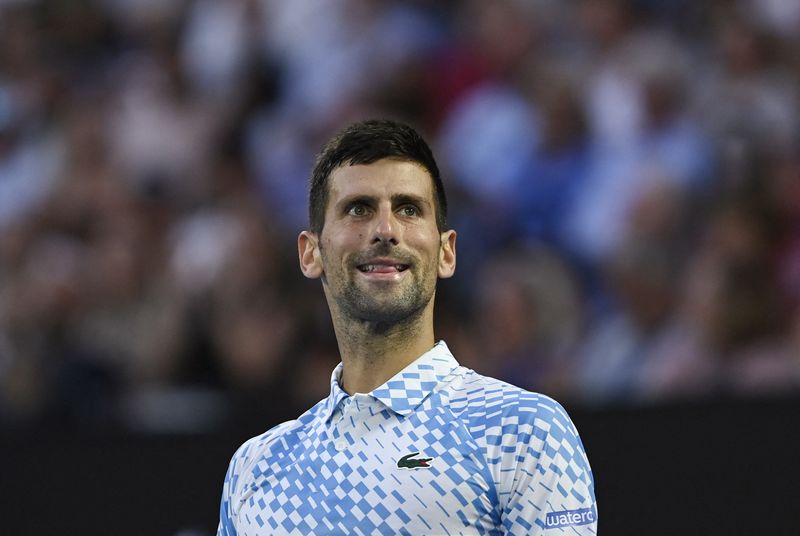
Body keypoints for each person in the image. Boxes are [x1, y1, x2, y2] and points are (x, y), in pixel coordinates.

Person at [217, 119, 598, 535]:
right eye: (358, 208)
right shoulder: (255, 469)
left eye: (409, 209)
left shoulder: (523, 432)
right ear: (311, 253)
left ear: (446, 252)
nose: (385, 230)